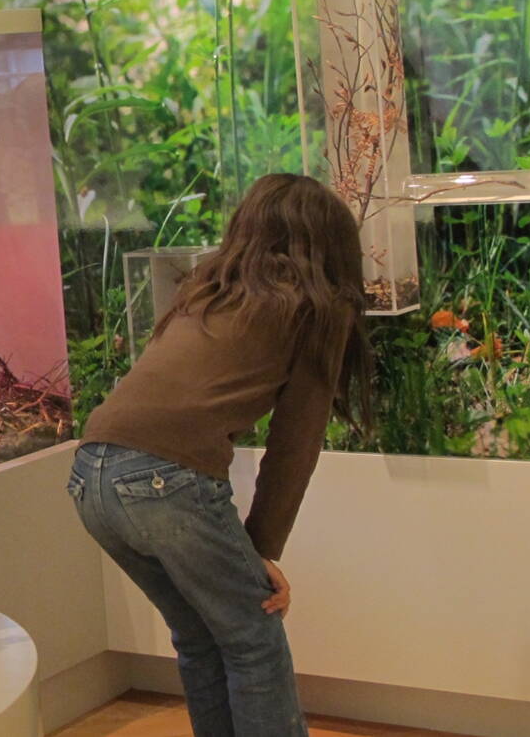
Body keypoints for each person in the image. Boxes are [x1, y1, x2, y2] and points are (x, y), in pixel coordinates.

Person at [71, 173, 373, 736]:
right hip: (165, 481)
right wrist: (262, 551)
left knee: (201, 637)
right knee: (254, 639)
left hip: (91, 475)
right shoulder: (316, 307)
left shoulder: (208, 288)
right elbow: (294, 445)